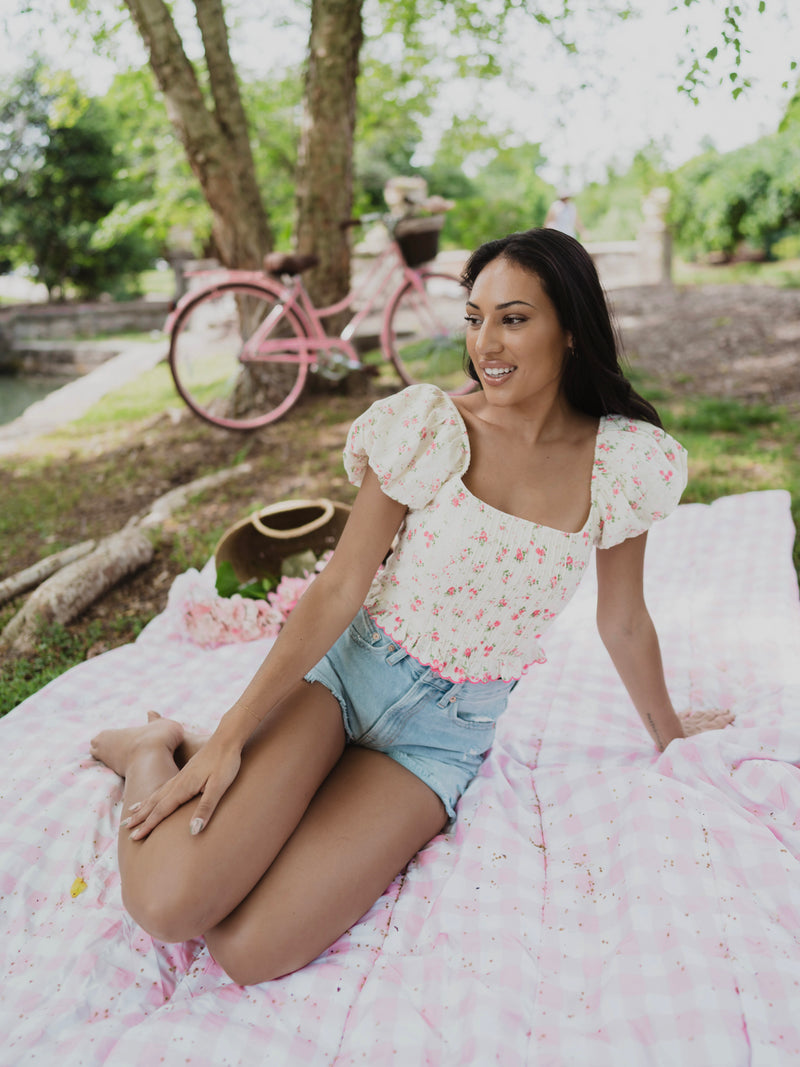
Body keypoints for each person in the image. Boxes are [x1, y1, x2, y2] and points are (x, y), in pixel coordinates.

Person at [91, 228, 733, 987]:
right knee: (173, 907)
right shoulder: (432, 426)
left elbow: (623, 619)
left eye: (514, 318)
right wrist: (232, 733)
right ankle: (153, 747)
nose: (485, 342)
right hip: (344, 681)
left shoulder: (623, 461)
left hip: (440, 739)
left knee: (248, 949)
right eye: (474, 317)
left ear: (570, 328)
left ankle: (276, 775)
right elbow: (339, 586)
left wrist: (670, 736)